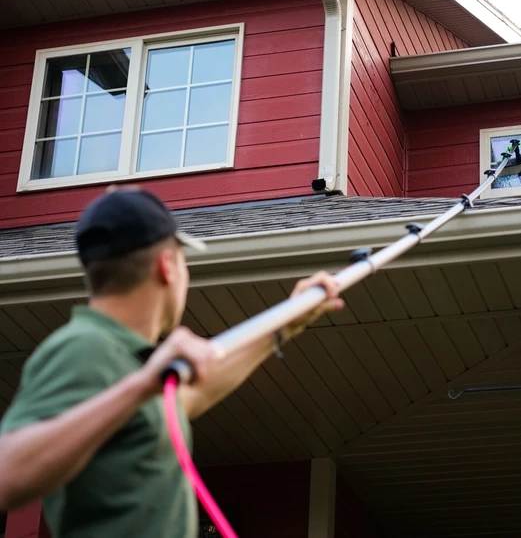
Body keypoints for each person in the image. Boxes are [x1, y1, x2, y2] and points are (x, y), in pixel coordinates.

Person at [0, 187, 344, 537]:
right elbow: (7, 473)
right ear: (167, 266)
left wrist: (284, 326)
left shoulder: (124, 357)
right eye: (184, 260)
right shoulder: (84, 347)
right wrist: (140, 386)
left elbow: (194, 394)